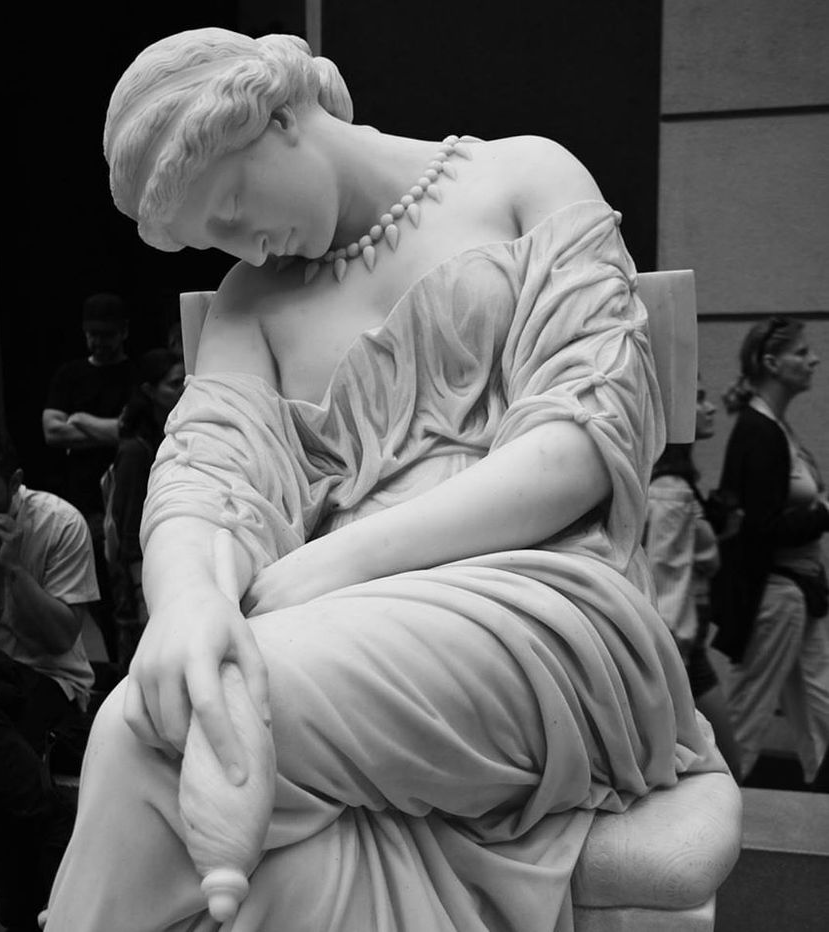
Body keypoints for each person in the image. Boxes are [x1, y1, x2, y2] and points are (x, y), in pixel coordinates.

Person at [43, 27, 727, 932]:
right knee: (190, 747)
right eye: (217, 239)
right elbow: (203, 475)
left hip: (538, 600)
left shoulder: (520, 177)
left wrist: (335, 563)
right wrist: (184, 603)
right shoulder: (251, 300)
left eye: (234, 206)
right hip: (328, 630)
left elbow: (576, 445)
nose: (249, 249)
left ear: (279, 116)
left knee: (152, 729)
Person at [0, 420, 98, 932]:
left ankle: (20, 913)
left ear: (14, 484)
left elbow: (60, 638)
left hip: (49, 678)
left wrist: (13, 571)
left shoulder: (59, 524)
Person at [711, 316, 829, 785]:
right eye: (801, 352)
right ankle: (710, 805)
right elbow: (763, 530)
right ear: (772, 363)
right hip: (776, 596)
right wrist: (825, 512)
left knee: (819, 709)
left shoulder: (775, 428)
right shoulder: (758, 431)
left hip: (800, 594)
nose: (813, 360)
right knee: (747, 716)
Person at [644, 384, 742, 780]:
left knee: (716, 764)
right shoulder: (672, 490)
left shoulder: (668, 484)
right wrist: (671, 661)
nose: (709, 407)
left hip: (680, 645)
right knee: (724, 767)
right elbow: (666, 577)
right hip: (678, 647)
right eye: (697, 396)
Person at [42, 292, 137, 664]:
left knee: (127, 591)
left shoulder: (136, 375)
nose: (99, 341)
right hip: (82, 501)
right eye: (92, 333)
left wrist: (80, 420)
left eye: (107, 334)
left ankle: (127, 666)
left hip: (125, 501)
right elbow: (51, 431)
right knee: (97, 595)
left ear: (124, 331)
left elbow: (131, 433)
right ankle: (114, 665)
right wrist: (110, 430)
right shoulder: (70, 375)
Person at [103, 348, 185, 669]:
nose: (183, 390)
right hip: (143, 573)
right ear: (150, 391)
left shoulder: (177, 434)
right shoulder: (136, 451)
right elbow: (129, 530)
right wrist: (141, 591)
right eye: (174, 384)